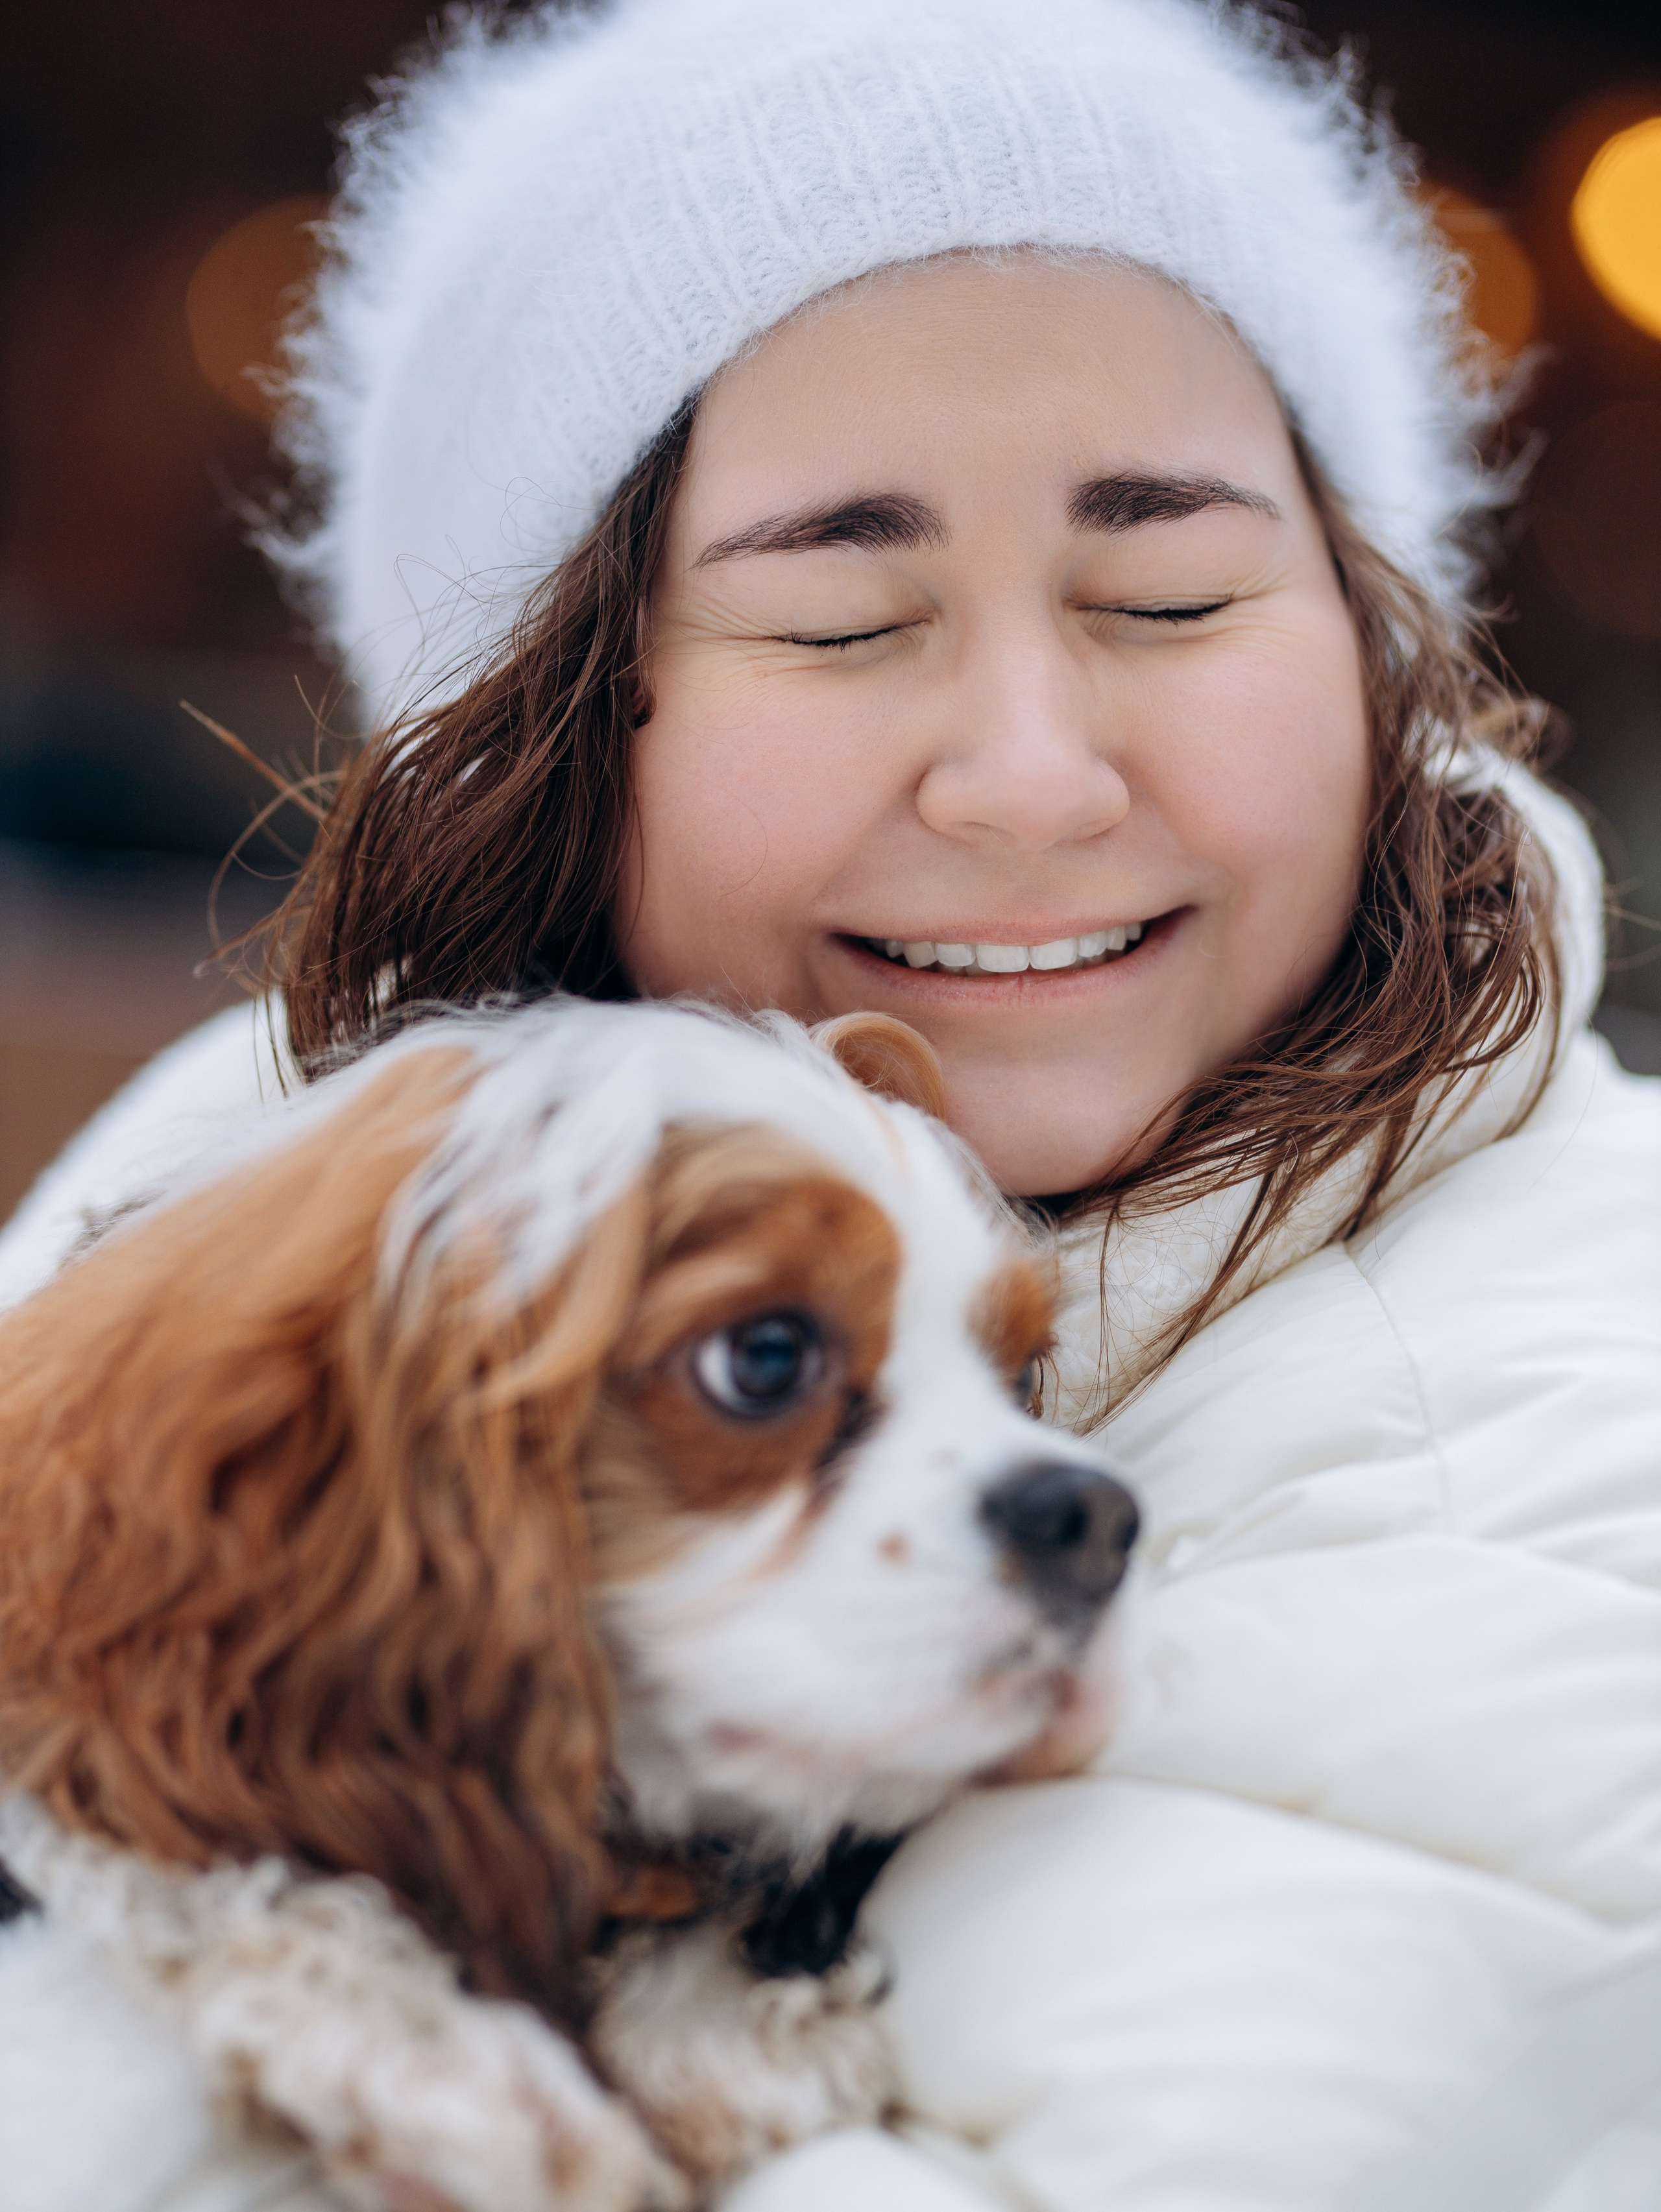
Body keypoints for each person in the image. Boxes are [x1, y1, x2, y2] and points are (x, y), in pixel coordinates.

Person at [2, 2, 1658, 2207]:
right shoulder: (271, 1134)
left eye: (1167, 590)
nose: (1035, 773)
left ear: (1367, 656)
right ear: (554, 725)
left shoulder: (1558, 1398)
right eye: (845, 616)